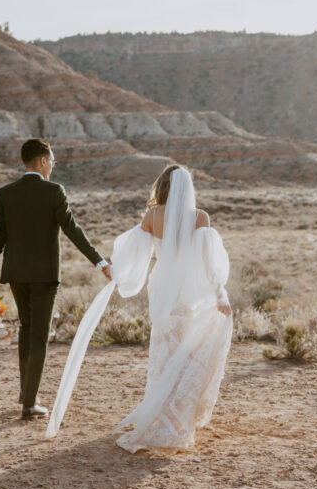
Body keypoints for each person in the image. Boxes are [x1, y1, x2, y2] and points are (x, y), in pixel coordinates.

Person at [46, 165, 232, 453]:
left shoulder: (152, 216)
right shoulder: (200, 218)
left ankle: (161, 415)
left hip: (161, 292)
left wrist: (115, 271)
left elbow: (132, 252)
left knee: (164, 353)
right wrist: (220, 294)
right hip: (189, 295)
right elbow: (209, 264)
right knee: (187, 354)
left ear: (163, 186)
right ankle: (180, 418)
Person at [0, 138, 112, 421]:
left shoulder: (6, 193)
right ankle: (29, 405)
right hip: (44, 276)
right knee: (39, 335)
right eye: (51, 160)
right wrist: (100, 261)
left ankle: (25, 392)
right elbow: (72, 229)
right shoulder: (54, 191)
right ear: (41, 161)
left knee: (27, 330)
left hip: (16, 274)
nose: (53, 165)